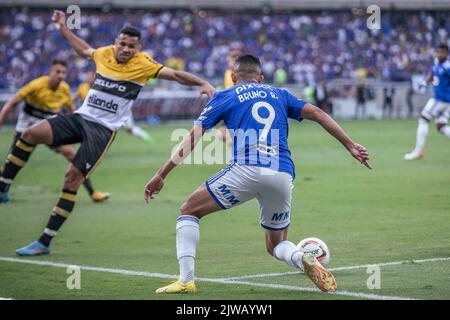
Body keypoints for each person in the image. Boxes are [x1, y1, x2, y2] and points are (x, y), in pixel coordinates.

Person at [144, 54, 371, 294]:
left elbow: (193, 138)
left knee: (188, 211)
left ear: (233, 77)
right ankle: (299, 257)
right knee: (276, 244)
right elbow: (319, 114)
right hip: (282, 174)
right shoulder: (280, 94)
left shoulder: (225, 95)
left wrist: (162, 174)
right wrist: (350, 145)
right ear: (261, 78)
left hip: (246, 170)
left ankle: (186, 280)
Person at [0, 10, 215, 257]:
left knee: (71, 179)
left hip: (102, 131)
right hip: (81, 118)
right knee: (29, 133)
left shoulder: (144, 64)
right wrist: (62, 28)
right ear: (115, 42)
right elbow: (84, 51)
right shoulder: (103, 54)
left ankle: (44, 242)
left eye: (131, 46)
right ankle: (4, 185)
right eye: (122, 43)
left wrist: (202, 82)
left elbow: (176, 75)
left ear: (138, 48)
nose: (125, 49)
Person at [0, 59, 109, 203]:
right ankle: (3, 190)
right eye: (57, 72)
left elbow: (72, 112)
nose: (61, 75)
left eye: (64, 72)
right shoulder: (36, 85)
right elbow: (12, 102)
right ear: (50, 72)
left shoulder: (64, 89)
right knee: (13, 161)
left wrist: (80, 130)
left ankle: (93, 193)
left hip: (47, 128)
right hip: (26, 129)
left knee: (72, 154)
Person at [74, 70, 154, 144]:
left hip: (119, 111)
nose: (89, 79)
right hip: (100, 114)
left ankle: (145, 135)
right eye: (88, 77)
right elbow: (75, 97)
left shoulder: (101, 86)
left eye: (91, 77)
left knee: (130, 130)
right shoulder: (82, 87)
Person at [404, 44, 450, 160]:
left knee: (423, 119)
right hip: (445, 102)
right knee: (441, 127)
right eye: (439, 52)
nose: (440, 54)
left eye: (443, 52)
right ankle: (417, 151)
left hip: (441, 99)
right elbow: (433, 75)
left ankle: (417, 152)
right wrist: (425, 81)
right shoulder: (437, 62)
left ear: (447, 54)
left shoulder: (448, 67)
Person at [216, 50, 241, 145]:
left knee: (225, 135)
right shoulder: (227, 72)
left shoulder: (240, 74)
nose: (228, 63)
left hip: (235, 104)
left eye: (230, 61)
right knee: (220, 134)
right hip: (228, 103)